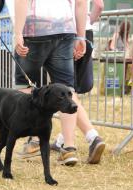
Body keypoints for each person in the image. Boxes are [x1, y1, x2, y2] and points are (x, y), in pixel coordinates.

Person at [15, 0, 105, 166]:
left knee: (24, 85)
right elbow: (81, 3)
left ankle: (32, 140)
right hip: (64, 29)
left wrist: (18, 33)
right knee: (67, 89)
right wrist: (80, 36)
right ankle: (69, 147)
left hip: (35, 28)